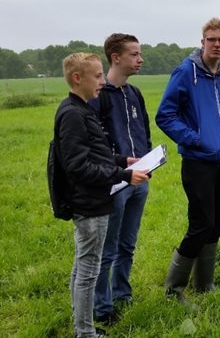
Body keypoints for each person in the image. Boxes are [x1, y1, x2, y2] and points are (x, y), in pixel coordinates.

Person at [55, 52, 148, 338]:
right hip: (91, 203)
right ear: (77, 78)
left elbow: (97, 153)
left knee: (81, 267)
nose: (101, 81)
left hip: (95, 199)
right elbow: (78, 166)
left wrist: (122, 161)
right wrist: (123, 176)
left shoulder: (81, 109)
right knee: (88, 272)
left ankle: (80, 324)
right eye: (96, 76)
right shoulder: (73, 113)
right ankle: (85, 333)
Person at [155, 17, 220, 304]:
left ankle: (205, 284)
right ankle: (174, 289)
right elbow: (165, 115)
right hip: (198, 162)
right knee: (201, 223)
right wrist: (194, 138)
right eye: (211, 39)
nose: (216, 44)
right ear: (202, 41)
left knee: (216, 223)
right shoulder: (185, 72)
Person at [89, 34, 152, 326]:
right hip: (114, 183)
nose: (140, 59)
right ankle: (102, 307)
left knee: (128, 243)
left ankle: (123, 294)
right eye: (134, 54)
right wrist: (116, 170)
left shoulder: (134, 93)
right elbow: (95, 143)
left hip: (141, 179)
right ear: (116, 57)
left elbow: (144, 131)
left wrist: (148, 161)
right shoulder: (99, 96)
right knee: (108, 248)